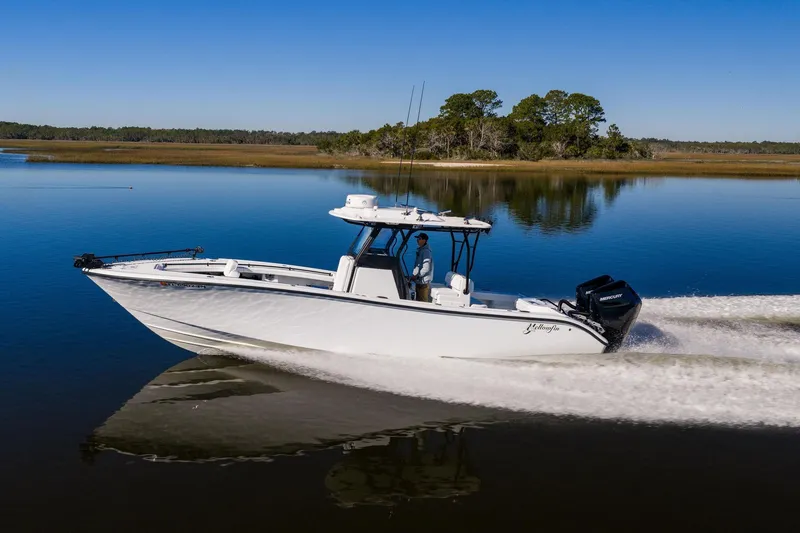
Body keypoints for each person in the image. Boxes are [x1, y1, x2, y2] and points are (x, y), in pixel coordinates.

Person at [411, 233, 434, 302]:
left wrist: (417, 276)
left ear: (424, 240)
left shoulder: (426, 252)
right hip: (419, 281)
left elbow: (426, 268)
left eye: (420, 239)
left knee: (422, 302)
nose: (417, 240)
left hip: (423, 282)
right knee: (418, 300)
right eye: (417, 239)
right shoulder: (421, 250)